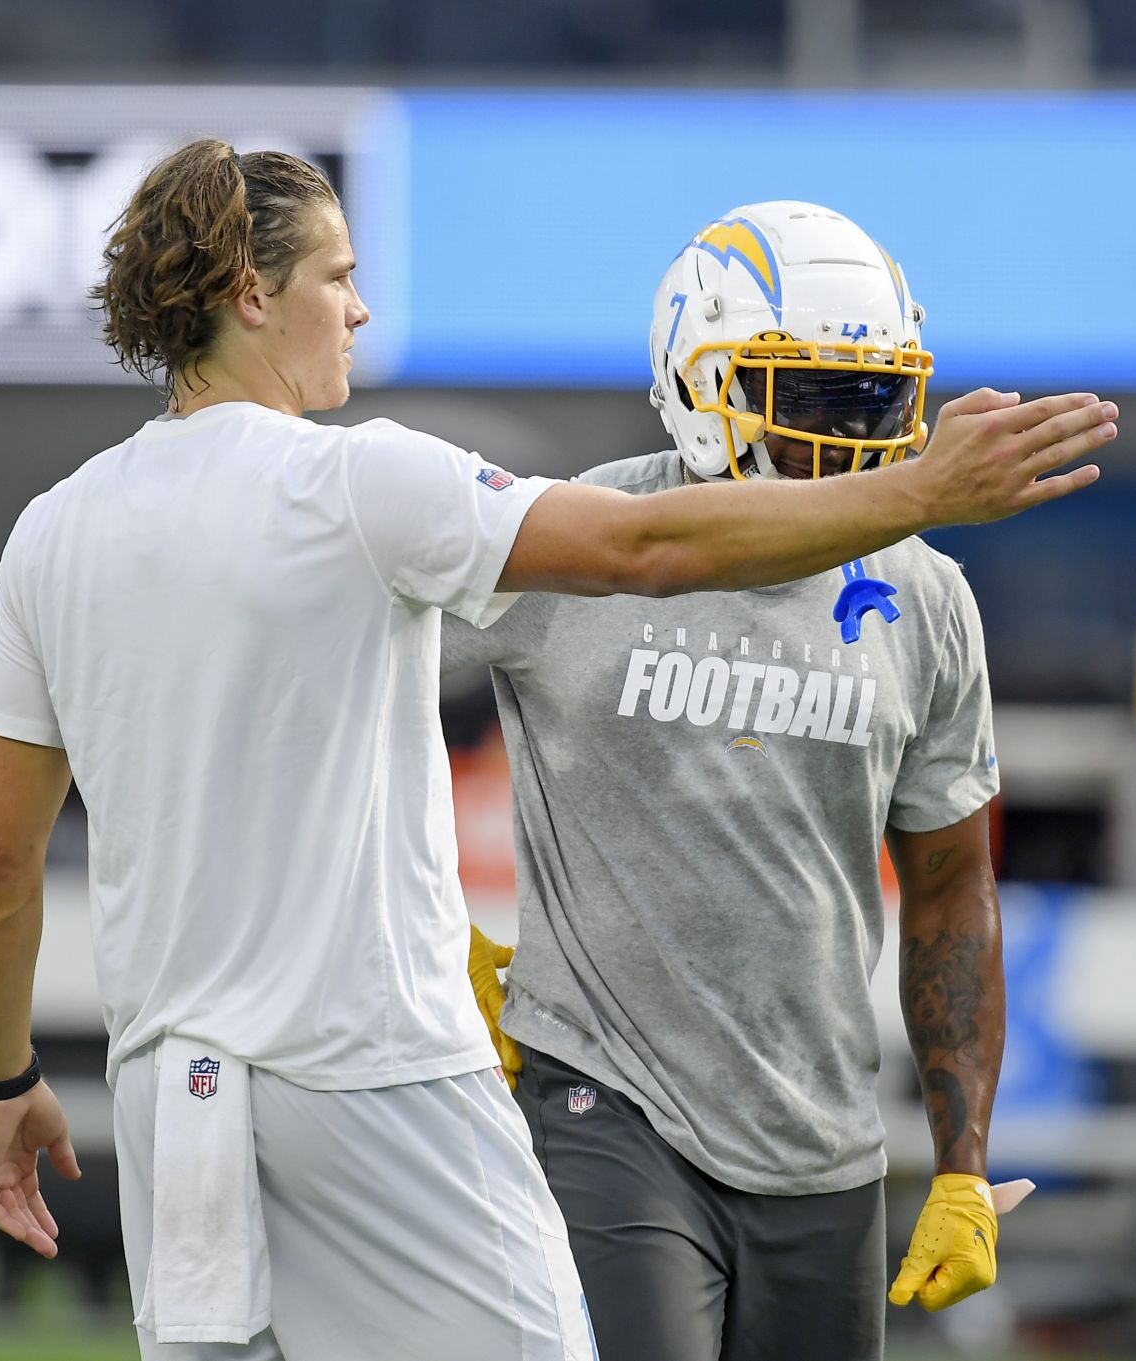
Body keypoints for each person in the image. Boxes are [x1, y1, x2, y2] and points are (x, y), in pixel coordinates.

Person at [0, 144, 1118, 1361]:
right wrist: (920, 491)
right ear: (251, 291)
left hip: (171, 1090)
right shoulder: (365, 481)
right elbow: (647, 550)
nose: (358, 307)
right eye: (338, 276)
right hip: (381, 1067)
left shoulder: (49, 531)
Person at [453, 200, 1031, 1361]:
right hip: (604, 1097)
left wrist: (962, 1164)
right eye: (806, 394)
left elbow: (953, 887)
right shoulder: (575, 536)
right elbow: (344, 708)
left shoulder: (926, 596)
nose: (842, 431)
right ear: (692, 372)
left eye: (870, 399)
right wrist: (428, 935)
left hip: (821, 1135)